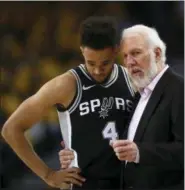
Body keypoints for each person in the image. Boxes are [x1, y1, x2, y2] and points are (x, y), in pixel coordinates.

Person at [1, 16, 136, 189]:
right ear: (82, 51)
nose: (97, 70)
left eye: (105, 63)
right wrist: (49, 175)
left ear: (116, 51)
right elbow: (11, 129)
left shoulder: (133, 80)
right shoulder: (66, 84)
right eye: (91, 63)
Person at [111, 25, 184, 190]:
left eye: (136, 53)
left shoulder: (180, 90)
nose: (129, 62)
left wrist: (140, 153)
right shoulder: (139, 95)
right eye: (125, 56)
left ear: (157, 54)